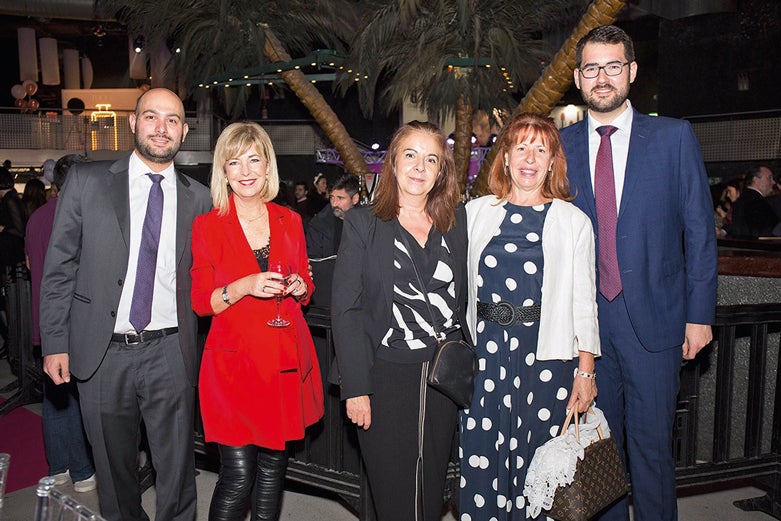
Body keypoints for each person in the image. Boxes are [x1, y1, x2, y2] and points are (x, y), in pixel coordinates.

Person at [560, 25, 717, 521]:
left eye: (612, 66)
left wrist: (699, 315)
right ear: (579, 79)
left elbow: (699, 233)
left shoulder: (673, 137)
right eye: (591, 68)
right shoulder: (558, 147)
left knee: (651, 452)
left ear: (630, 71)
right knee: (597, 452)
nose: (602, 77)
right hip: (584, 333)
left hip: (655, 325)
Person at [40, 87, 213, 521]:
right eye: (151, 117)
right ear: (133, 123)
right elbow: (59, 266)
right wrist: (55, 342)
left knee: (177, 475)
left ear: (184, 131)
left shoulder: (200, 198)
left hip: (171, 352)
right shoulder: (87, 181)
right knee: (115, 478)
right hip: (102, 354)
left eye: (172, 120)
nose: (161, 127)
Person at [461, 112, 600, 520]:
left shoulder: (573, 221)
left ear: (553, 161)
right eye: (520, 146)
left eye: (540, 149)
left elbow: (584, 303)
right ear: (504, 157)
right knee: (482, 452)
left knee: (538, 463)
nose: (529, 157)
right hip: (484, 353)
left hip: (546, 356)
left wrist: (586, 371)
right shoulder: (476, 212)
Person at [331, 121, 468, 521]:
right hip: (385, 377)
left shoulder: (455, 224)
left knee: (428, 494)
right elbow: (347, 310)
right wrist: (356, 387)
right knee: (392, 497)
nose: (419, 167)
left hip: (443, 379)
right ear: (392, 163)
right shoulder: (363, 223)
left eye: (431, 159)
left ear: (441, 171)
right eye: (410, 155)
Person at [190, 122, 323, 521]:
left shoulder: (290, 219)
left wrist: (301, 287)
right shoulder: (207, 225)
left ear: (268, 166)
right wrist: (244, 285)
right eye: (235, 162)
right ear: (223, 171)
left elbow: (305, 281)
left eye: (254, 159)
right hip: (232, 368)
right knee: (238, 473)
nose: (245, 171)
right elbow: (201, 302)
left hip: (282, 359)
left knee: (272, 468)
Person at [25, 153, 96, 493]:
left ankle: (58, 468)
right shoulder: (80, 216)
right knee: (79, 399)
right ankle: (82, 470)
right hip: (74, 322)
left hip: (45, 320)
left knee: (55, 399)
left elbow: (29, 264)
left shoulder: (36, 217)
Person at [306, 173, 361, 259]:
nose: (334, 203)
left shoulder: (368, 222)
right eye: (332, 197)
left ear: (355, 199)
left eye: (340, 198)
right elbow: (315, 261)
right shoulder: (318, 225)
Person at [725, 165, 778, 237]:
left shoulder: (743, 199)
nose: (773, 182)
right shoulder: (757, 202)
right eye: (769, 178)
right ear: (756, 180)